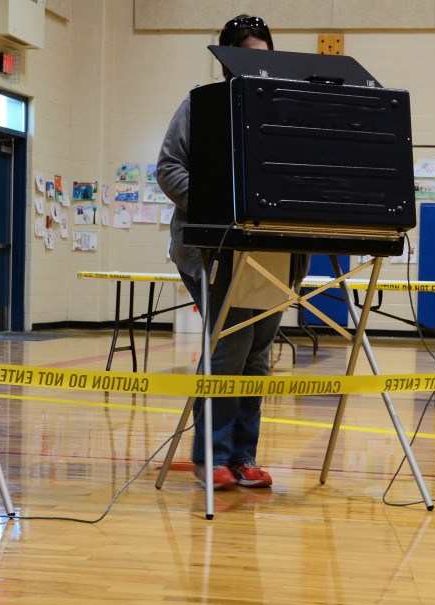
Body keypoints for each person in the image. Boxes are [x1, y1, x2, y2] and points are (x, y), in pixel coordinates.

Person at [157, 15, 310, 490]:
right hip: (214, 247)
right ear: (226, 60)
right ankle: (212, 456)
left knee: (259, 352)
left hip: (271, 248)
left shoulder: (283, 109)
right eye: (247, 57)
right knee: (229, 347)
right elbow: (168, 169)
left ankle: (242, 456)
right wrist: (215, 206)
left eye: (265, 58)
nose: (257, 68)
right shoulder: (201, 106)